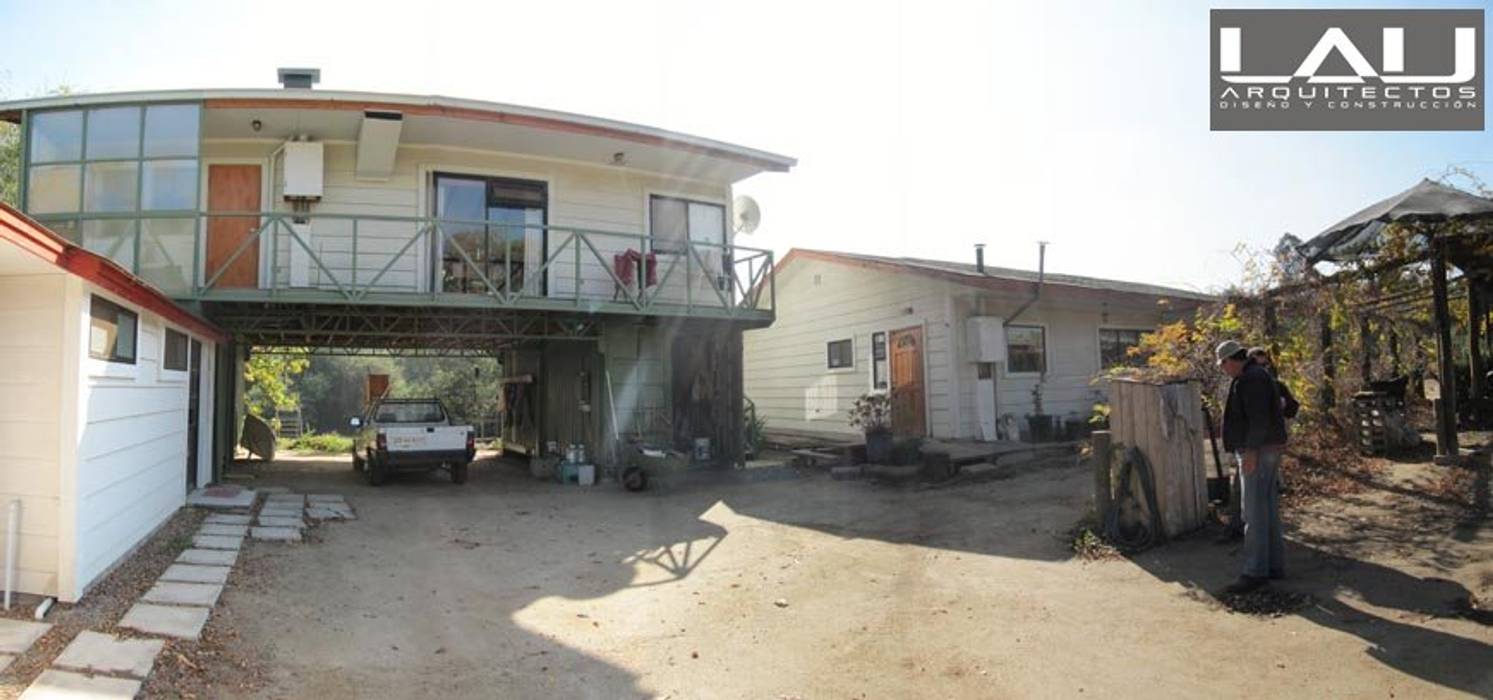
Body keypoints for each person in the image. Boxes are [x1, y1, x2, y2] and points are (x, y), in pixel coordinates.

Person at [1216, 340, 1288, 594]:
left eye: (1223, 365)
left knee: (1254, 512)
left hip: (1258, 451)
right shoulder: (1255, 375)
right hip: (1265, 450)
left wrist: (1250, 451)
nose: (1224, 370)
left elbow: (1259, 418)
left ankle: (1255, 571)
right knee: (1266, 507)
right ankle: (1273, 565)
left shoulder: (1251, 379)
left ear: (1230, 360)